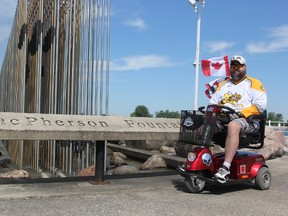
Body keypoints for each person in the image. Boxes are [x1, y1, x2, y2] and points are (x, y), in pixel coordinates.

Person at [209, 55, 267, 183]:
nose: (236, 69)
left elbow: (260, 106)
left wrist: (241, 114)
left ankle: (225, 168)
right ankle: (202, 159)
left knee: (233, 125)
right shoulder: (222, 85)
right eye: (233, 66)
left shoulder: (254, 83)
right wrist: (211, 114)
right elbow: (212, 103)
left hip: (249, 121)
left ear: (245, 67)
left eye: (239, 66)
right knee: (203, 122)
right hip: (224, 119)